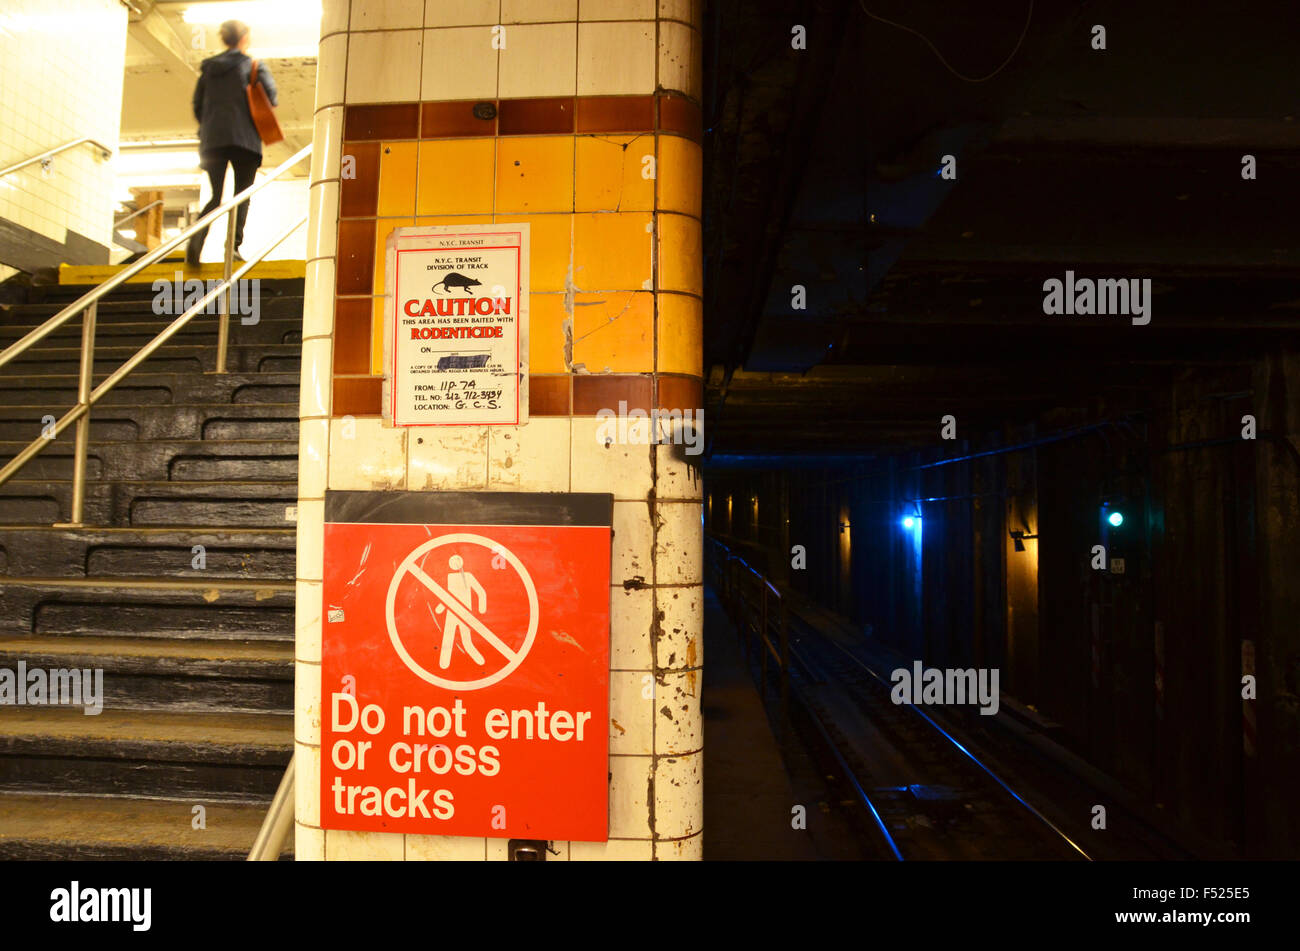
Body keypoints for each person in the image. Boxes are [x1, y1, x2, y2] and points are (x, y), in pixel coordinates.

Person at [186, 20, 277, 266]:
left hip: (213, 141)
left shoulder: (209, 69)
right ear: (245, 38)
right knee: (241, 196)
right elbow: (271, 98)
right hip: (245, 141)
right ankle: (232, 249)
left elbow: (197, 106)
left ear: (224, 39)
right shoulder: (253, 66)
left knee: (216, 196)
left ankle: (196, 240)